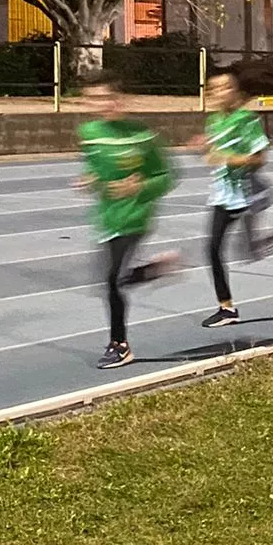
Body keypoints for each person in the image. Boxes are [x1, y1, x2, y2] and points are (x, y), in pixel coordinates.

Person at [193, 67, 273, 328]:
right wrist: (204, 149)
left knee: (245, 251)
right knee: (216, 249)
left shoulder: (247, 120)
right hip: (223, 193)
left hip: (248, 192)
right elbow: (215, 152)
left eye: (225, 87)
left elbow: (259, 159)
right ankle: (226, 308)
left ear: (236, 91)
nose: (219, 93)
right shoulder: (214, 121)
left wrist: (227, 158)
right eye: (214, 89)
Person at [77, 77, 181, 369]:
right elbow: (96, 167)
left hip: (136, 214)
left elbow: (168, 176)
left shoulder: (142, 136)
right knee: (110, 281)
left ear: (120, 99)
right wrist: (91, 179)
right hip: (107, 216)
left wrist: (140, 187)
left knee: (113, 280)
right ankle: (154, 269)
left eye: (104, 98)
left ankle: (119, 345)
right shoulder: (88, 133)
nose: (99, 105)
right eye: (92, 99)